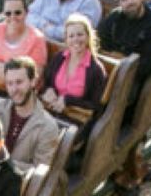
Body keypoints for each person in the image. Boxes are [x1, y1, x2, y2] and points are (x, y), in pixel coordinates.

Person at [97, 0, 151, 196]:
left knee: (120, 101)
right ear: (119, 2)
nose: (129, 1)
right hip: (112, 74)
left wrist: (123, 62)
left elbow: (147, 63)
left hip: (134, 79)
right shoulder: (114, 20)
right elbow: (100, 45)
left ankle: (120, 146)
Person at [40, 14, 108, 166]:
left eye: (80, 34)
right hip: (51, 112)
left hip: (75, 121)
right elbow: (45, 83)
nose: (76, 39)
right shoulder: (59, 58)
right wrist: (48, 90)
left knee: (51, 147)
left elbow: (96, 107)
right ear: (66, 39)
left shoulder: (96, 70)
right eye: (71, 35)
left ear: (88, 36)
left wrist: (68, 100)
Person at [0, 55, 64, 173]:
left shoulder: (48, 126)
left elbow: (40, 172)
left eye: (19, 82)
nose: (14, 89)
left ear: (33, 81)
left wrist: (2, 162)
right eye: (9, 83)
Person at [0, 0, 49, 88]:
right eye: (8, 13)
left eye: (17, 13)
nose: (13, 17)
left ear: (26, 13)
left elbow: (34, 78)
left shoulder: (36, 39)